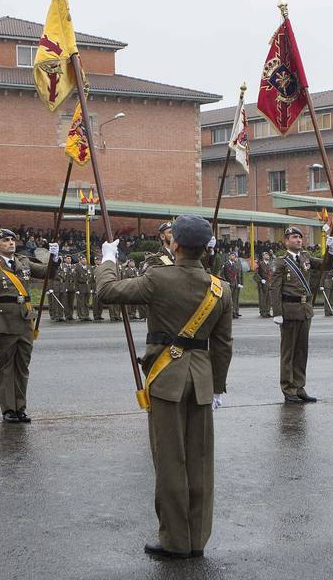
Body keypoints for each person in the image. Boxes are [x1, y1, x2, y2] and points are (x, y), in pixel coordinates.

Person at [95, 215, 232, 559]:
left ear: (175, 244)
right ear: (206, 247)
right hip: (201, 380)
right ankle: (197, 539)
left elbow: (108, 292)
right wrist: (217, 386)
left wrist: (108, 261)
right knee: (200, 461)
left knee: (171, 460)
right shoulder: (221, 288)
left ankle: (175, 540)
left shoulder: (157, 278)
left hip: (166, 379)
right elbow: (224, 344)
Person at [0, 228, 57, 424]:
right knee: (5, 367)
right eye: (5, 240)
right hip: (3, 323)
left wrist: (54, 258)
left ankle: (20, 407)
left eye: (12, 240)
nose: (11, 243)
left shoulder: (24, 262)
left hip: (24, 322)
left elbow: (48, 274)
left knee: (22, 367)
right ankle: (8, 409)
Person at [269, 225, 333, 403]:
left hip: (305, 310)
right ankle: (288, 388)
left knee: (301, 351)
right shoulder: (280, 262)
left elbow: (326, 265)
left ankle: (299, 386)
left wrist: (331, 250)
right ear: (286, 241)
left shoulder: (306, 257)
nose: (298, 240)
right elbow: (274, 288)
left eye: (299, 237)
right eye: (293, 237)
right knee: (288, 352)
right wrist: (277, 312)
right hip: (289, 311)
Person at [220, 250, 243, 318]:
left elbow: (237, 274)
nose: (234, 256)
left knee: (235, 299)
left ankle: (234, 312)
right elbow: (222, 274)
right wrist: (225, 281)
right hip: (229, 284)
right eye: (232, 255)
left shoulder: (235, 264)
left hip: (235, 284)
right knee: (229, 300)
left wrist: (239, 283)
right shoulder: (226, 264)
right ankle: (230, 313)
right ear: (229, 256)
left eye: (234, 255)